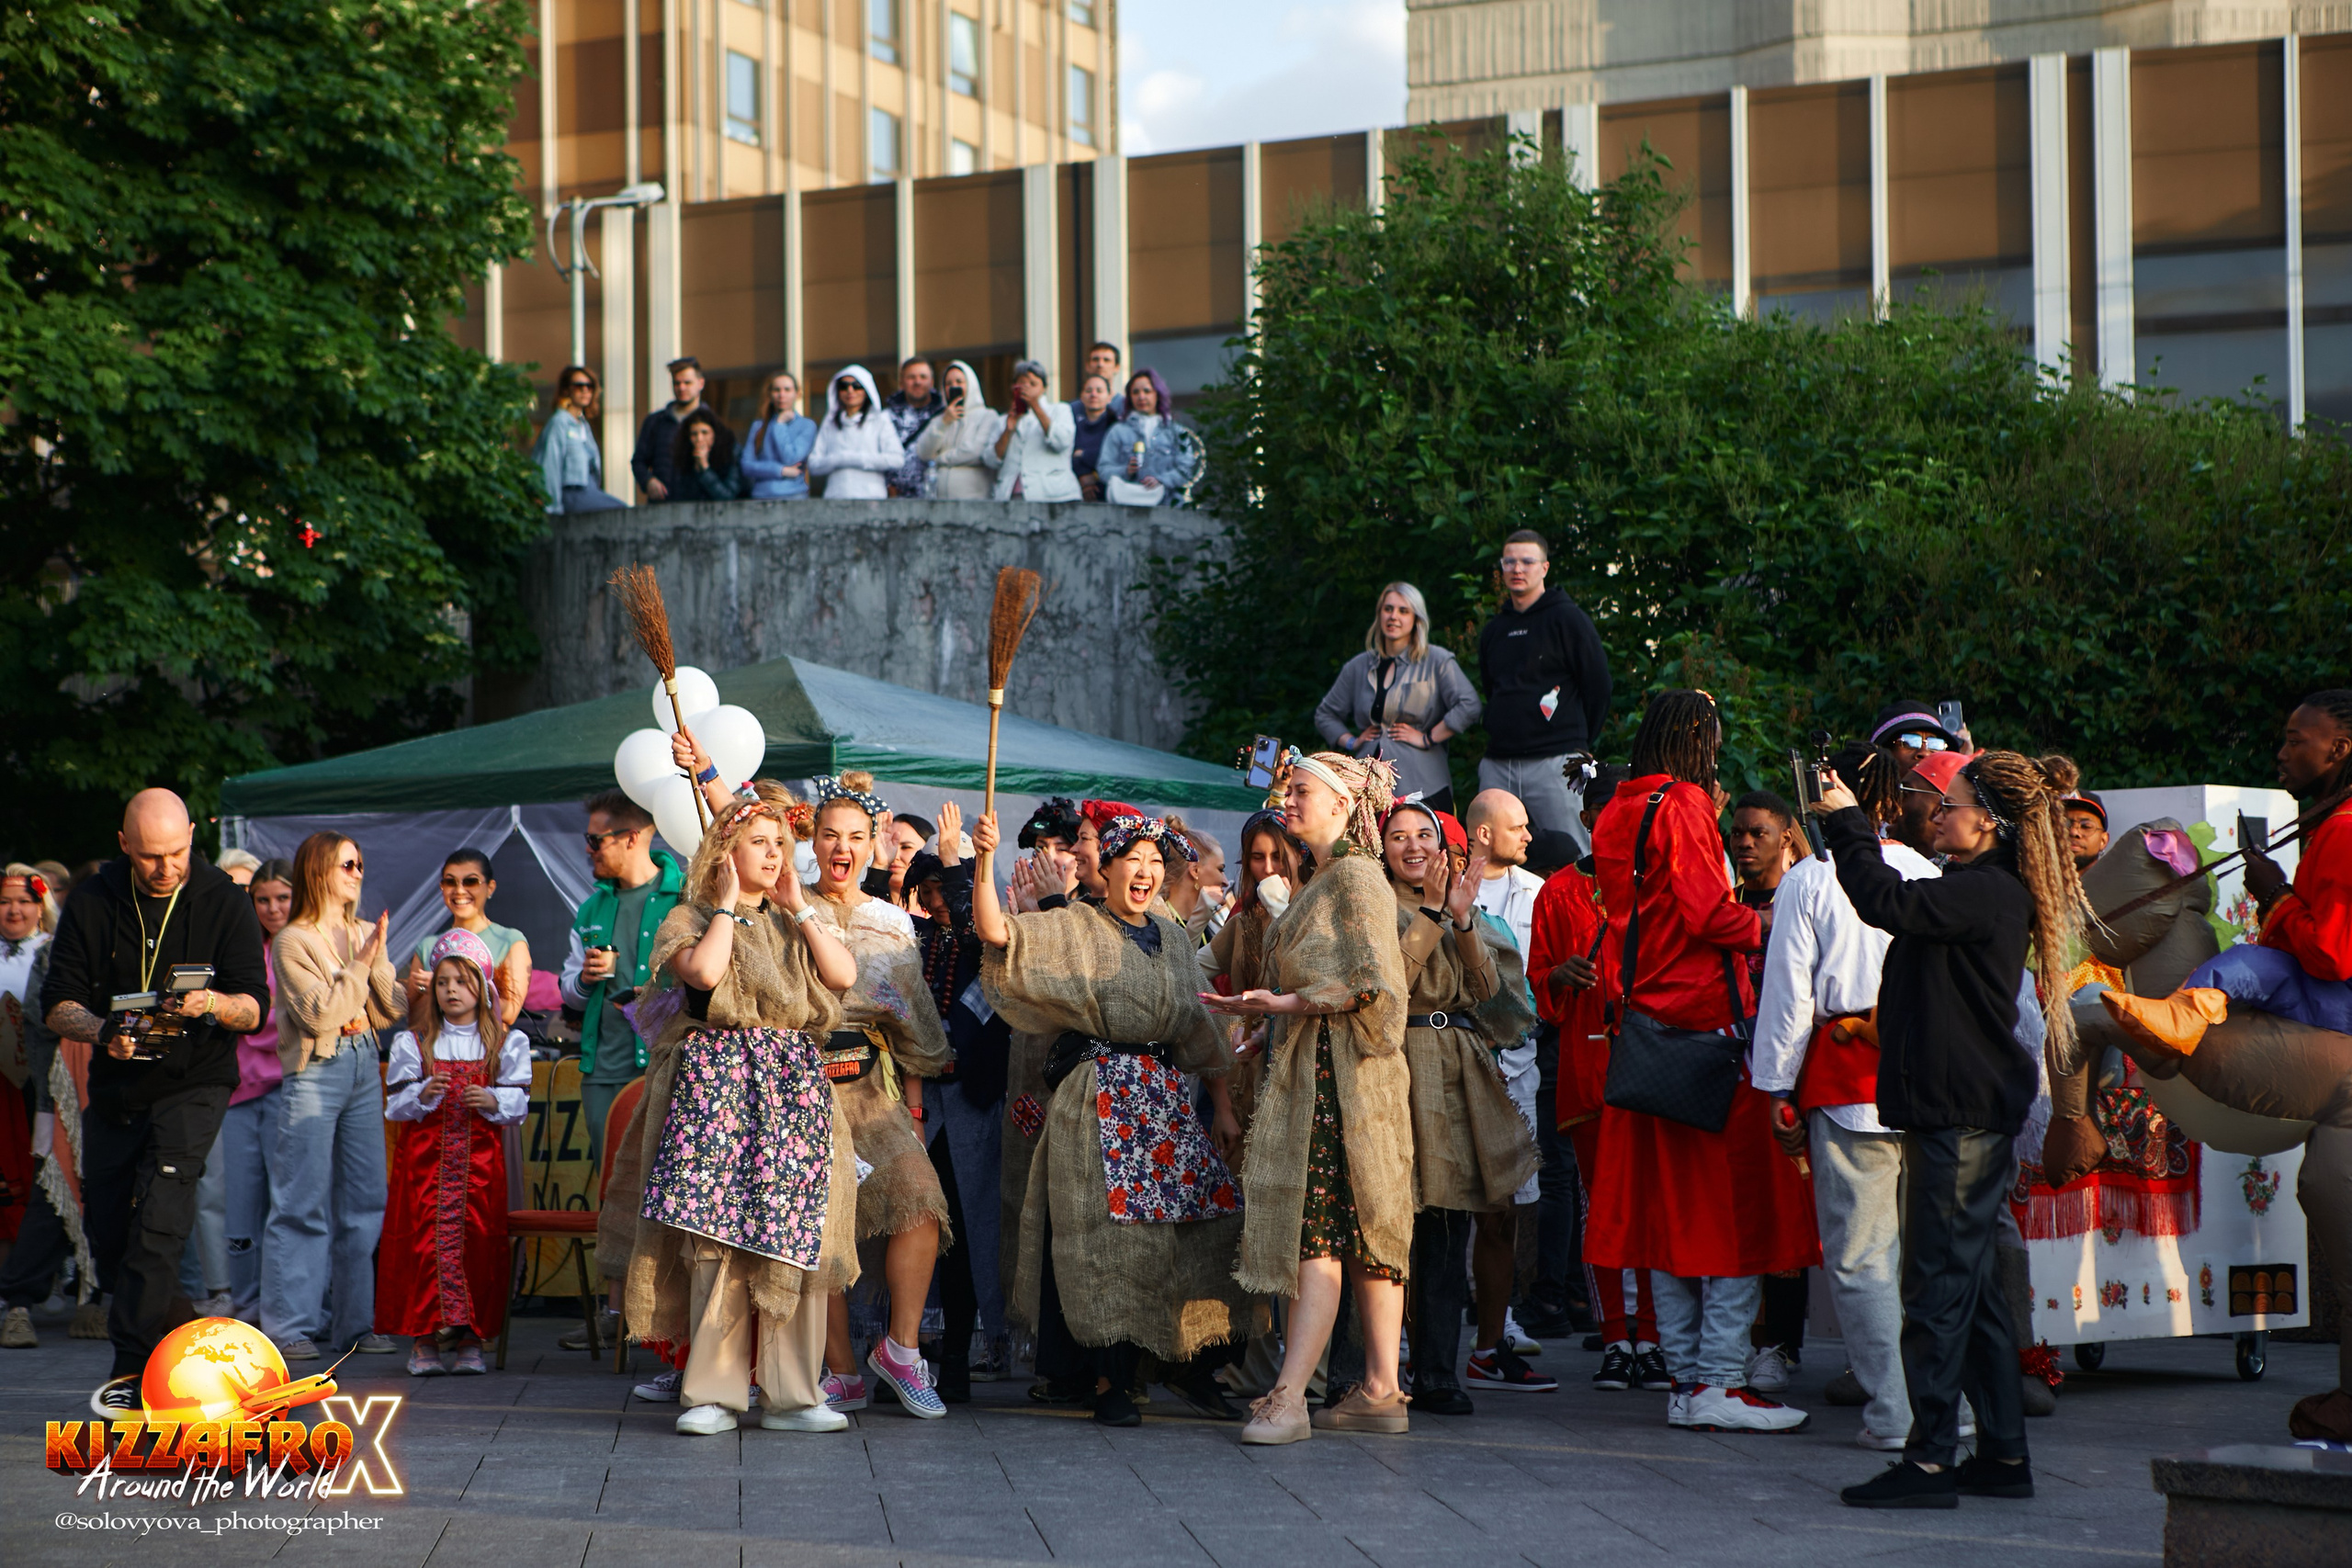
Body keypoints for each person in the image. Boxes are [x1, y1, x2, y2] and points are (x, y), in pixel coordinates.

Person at [1817, 750, 2087, 1507]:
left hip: (1961, 1114)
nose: (1938, 812)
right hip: (1958, 1108)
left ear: (1989, 823)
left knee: (1935, 1287)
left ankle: (1931, 1459)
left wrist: (1844, 822)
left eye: (1953, 802)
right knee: (1973, 1293)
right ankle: (2002, 1455)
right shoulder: (1979, 890)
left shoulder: (1988, 893)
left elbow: (1883, 901)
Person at [1586, 692, 1816, 1434]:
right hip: (1706, 1033)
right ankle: (1719, 1380)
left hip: (1648, 1038)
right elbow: (1708, 915)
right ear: (1698, 738)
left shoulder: (1619, 808)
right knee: (1731, 1213)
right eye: (1713, 737)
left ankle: (1688, 1381)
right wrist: (1775, 924)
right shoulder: (1682, 802)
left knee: (1668, 1221)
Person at [970, 808, 1247, 1425]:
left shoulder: (1173, 935)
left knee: (1205, 1221)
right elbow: (996, 931)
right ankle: (1110, 1381)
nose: (1145, 872)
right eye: (1134, 861)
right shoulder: (1075, 924)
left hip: (1165, 1101)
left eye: (1155, 863)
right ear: (1110, 868)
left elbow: (1200, 1027)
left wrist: (1222, 1105)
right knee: (1110, 1238)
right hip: (1098, 1097)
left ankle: (1192, 1366)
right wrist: (983, 859)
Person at [624, 784, 864, 1436]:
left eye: (781, 843)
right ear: (726, 850)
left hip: (791, 1086)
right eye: (760, 842)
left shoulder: (798, 916)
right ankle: (715, 1391)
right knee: (717, 1236)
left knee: (794, 1238)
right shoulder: (691, 916)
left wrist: (802, 911)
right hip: (720, 1084)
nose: (775, 852)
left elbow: (841, 977)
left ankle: (793, 1394)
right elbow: (703, 974)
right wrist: (727, 903)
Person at [33, 793, 270, 1404]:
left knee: (160, 1224)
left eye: (176, 853)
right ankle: (188, 1333)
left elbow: (253, 1006)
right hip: (117, 1084)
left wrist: (211, 1002)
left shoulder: (224, 898)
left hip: (195, 1082)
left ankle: (132, 1374)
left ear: (194, 835)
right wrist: (103, 1031)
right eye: (149, 858)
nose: (165, 868)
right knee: (110, 1234)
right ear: (123, 845)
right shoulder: (93, 898)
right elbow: (58, 1002)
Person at [1205, 751, 1414, 1445]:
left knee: (1318, 1230)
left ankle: (1290, 1396)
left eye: (1298, 791)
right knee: (1363, 1229)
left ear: (1338, 804)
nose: (1286, 799)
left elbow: (1376, 982)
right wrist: (1269, 1023)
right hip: (1337, 1069)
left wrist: (1283, 1001)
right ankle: (1381, 1387)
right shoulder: (1330, 876)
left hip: (1341, 1080)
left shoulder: (1353, 875)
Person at [1748, 746, 1938, 1451]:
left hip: (1849, 1075)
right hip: (1926, 1075)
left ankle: (1894, 1411)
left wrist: (1774, 1084)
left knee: (1862, 1256)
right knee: (1927, 1253)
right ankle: (1946, 1407)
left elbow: (1790, 996)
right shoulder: (1927, 869)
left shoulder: (1811, 878)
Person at [1381, 802, 1541, 1413]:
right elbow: (1391, 980)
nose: (1413, 846)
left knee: (1448, 1224)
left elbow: (1490, 996)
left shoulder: (1471, 912)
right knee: (1396, 1222)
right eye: (1398, 836)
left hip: (1456, 1071)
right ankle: (1376, 1364)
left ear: (1445, 848)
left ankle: (1438, 1372)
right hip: (1399, 1065)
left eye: (1424, 835)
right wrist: (1428, 915)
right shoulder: (1375, 907)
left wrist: (1464, 919)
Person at [2102, 692, 2352, 1054]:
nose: (2282, 753)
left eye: (2295, 742)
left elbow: (2331, 956)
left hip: (2341, 1000)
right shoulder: (2333, 824)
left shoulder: (2344, 829)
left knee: (2246, 962)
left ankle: (2181, 1018)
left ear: (2338, 749)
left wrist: (2275, 895)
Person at [1529, 762, 1668, 1391]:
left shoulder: (1663, 884)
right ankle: (1617, 1335)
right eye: (1610, 812)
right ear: (1587, 819)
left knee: (1654, 1207)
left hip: (1653, 1071)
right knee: (1601, 1209)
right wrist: (1556, 977)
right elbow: (1535, 989)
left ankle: (1656, 1334)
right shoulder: (1558, 891)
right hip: (1588, 1071)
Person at [266, 830, 402, 1362]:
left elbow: (387, 1008)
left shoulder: (365, 930)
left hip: (365, 1060)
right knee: (301, 1201)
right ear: (320, 870)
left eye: (361, 863)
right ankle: (290, 1326)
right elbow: (319, 1015)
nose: (358, 872)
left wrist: (379, 959)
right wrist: (364, 964)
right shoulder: (292, 940)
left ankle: (356, 1324)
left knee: (366, 1198)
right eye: (348, 864)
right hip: (316, 1069)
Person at [379, 929, 530, 1377]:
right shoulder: (415, 1042)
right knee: (421, 1247)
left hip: (478, 1171)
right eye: (443, 982)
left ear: (482, 988)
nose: (451, 991)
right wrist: (424, 1093)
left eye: (462, 982)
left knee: (477, 1246)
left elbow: (518, 1102)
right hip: (423, 1169)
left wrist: (494, 1101)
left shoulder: (505, 1043)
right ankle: (423, 1339)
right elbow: (395, 1105)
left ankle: (471, 1337)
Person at [1463, 787, 1552, 1364]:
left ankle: (1501, 1319)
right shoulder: (1442, 887)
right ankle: (1417, 1322)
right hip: (1454, 1060)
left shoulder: (1540, 893)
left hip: (1517, 1067)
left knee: (1511, 1202)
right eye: (1517, 826)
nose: (1528, 836)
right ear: (1483, 833)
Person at [562, 790, 686, 1170]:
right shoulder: (591, 907)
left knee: (663, 1186)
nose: (588, 850)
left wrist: (656, 997)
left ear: (631, 838)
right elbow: (568, 990)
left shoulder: (683, 895)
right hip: (603, 1068)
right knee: (611, 1186)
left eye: (595, 840)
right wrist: (583, 980)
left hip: (667, 1066)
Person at [1476, 531, 1612, 846]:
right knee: (1491, 852)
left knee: (1575, 849)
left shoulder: (1568, 620)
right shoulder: (1494, 630)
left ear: (1544, 568)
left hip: (1557, 763)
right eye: (1509, 561)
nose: (1517, 569)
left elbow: (1599, 686)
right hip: (1499, 764)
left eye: (1527, 561)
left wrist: (1575, 741)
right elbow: (1492, 688)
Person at [1317, 581, 1482, 817]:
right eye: (1388, 609)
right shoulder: (1358, 666)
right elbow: (1325, 714)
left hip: (1424, 782)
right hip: (1366, 785)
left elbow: (1469, 705)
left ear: (1416, 618)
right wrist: (1352, 742)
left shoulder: (1437, 661)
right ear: (1379, 615)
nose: (1394, 616)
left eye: (1403, 611)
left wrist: (1427, 738)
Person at [220, 859, 293, 1326]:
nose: (271, 908)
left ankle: (296, 1308)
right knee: (242, 1210)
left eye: (282, 898)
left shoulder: (312, 946)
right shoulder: (240, 947)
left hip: (293, 1089)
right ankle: (246, 1311)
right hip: (240, 1093)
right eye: (262, 899)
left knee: (291, 1208)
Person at [404, 849, 530, 1034]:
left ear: (490, 888)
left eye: (470, 881)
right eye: (450, 882)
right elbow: (414, 1021)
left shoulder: (510, 941)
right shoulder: (428, 946)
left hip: (487, 1054)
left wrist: (448, 986)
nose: (459, 890)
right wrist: (424, 993)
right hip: (438, 1055)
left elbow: (510, 1012)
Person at [534, 365, 628, 513]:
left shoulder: (583, 425)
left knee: (623, 512)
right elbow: (550, 466)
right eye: (579, 386)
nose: (585, 390)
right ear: (566, 390)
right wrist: (553, 508)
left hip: (590, 491)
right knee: (621, 511)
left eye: (589, 386)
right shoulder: (559, 422)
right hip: (571, 493)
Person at [1102, 368, 1200, 507]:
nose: (1141, 397)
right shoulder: (1118, 431)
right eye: (1135, 392)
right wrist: (1126, 470)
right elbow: (1103, 469)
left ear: (1158, 394)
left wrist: (1162, 481)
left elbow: (1187, 468)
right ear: (1129, 398)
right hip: (1128, 509)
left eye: (1147, 391)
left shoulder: (1175, 431)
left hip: (1169, 508)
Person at [807, 365, 906, 501]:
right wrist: (839, 459)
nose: (850, 390)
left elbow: (897, 459)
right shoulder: (829, 422)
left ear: (866, 390)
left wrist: (854, 459)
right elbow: (813, 465)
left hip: (871, 499)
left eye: (856, 385)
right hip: (836, 498)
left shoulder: (880, 420)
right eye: (844, 386)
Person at [633, 356, 723, 503]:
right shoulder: (656, 421)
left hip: (700, 507)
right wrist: (648, 481)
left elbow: (727, 470)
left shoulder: (713, 423)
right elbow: (638, 461)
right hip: (662, 504)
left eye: (687, 383)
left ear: (701, 383)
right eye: (677, 383)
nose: (681, 388)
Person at [910, 359, 1003, 498]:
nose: (954, 387)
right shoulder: (941, 419)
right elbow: (923, 452)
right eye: (948, 384)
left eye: (959, 382)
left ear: (970, 385)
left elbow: (974, 452)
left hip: (974, 502)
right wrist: (944, 422)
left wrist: (940, 458)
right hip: (941, 502)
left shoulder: (987, 416)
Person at [990, 359, 1081, 502]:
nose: (1027, 389)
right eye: (1021, 384)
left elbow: (1062, 441)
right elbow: (990, 460)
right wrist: (1008, 431)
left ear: (1044, 388)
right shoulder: (1002, 420)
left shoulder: (1059, 410)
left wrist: (1035, 406)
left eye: (1033, 384)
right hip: (1011, 497)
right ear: (1013, 387)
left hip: (1053, 496)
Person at [740, 371, 818, 500]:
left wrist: (779, 425)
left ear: (797, 394)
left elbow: (791, 459)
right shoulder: (758, 426)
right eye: (777, 390)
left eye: (787, 390)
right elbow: (746, 466)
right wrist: (781, 470)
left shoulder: (807, 425)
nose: (781, 395)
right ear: (770, 394)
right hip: (761, 496)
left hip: (794, 495)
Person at [881, 356, 944, 497]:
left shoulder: (944, 414)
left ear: (932, 382)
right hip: (897, 501)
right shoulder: (887, 417)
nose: (917, 382)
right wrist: (886, 485)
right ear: (901, 382)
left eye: (923, 377)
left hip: (936, 499)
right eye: (911, 377)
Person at [1159, 817, 1227, 942]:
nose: (1226, 882)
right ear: (1195, 870)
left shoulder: (1211, 925)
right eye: (1220, 870)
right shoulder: (1157, 926)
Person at [1868, 700, 1965, 771]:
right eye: (1909, 742)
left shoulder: (1952, 798)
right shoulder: (1856, 797)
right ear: (1884, 749)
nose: (1924, 753)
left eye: (1935, 744)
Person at [670, 408, 741, 502]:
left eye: (705, 433)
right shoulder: (684, 457)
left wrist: (705, 469)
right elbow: (681, 497)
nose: (699, 439)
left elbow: (728, 496)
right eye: (694, 434)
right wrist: (697, 469)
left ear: (714, 434)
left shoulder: (730, 453)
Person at [1069, 374, 1120, 501]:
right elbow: (1065, 455)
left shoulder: (1116, 424)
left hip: (1110, 492)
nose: (1093, 395)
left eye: (1099, 391)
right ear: (1081, 396)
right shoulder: (1070, 420)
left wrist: (1083, 454)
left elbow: (1114, 457)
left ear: (1109, 397)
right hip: (1074, 489)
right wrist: (1083, 475)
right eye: (1088, 390)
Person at [2064, 792, 2109, 872]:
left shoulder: (2119, 882)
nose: (2073, 832)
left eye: (2086, 826)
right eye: (2062, 825)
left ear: (2103, 841)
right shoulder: (2035, 883)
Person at [1082, 339, 1128, 417]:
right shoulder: (1073, 409)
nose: (1100, 364)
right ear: (1087, 366)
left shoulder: (1125, 407)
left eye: (1106, 360)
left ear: (1117, 367)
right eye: (1095, 359)